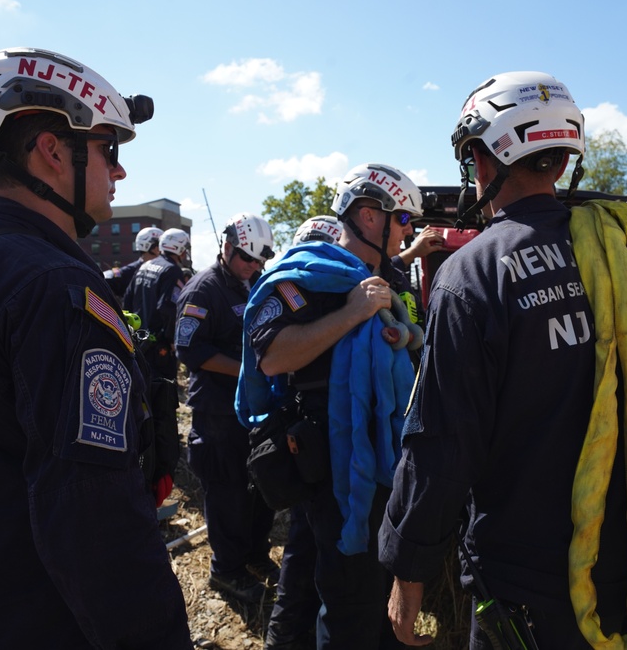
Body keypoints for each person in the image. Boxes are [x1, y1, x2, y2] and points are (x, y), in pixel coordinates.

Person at [379, 72, 627, 649]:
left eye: (471, 152)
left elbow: (444, 443)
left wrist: (410, 568)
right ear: (561, 153)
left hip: (533, 582)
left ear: (489, 154)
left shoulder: (473, 274)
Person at [0, 47, 192, 648]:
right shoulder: (55, 288)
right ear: (53, 151)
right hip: (47, 621)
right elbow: (94, 522)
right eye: (109, 150)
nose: (119, 174)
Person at [237, 163, 423, 649]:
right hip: (337, 468)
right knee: (349, 603)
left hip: (389, 454)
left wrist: (403, 334)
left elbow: (411, 341)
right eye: (404, 219)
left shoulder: (386, 276)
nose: (411, 230)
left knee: (379, 592)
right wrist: (352, 313)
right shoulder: (310, 276)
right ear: (368, 217)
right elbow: (273, 356)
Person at [175, 212, 279, 604]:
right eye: (247, 259)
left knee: (257, 489)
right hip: (217, 413)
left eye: (258, 261)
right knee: (228, 494)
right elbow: (190, 350)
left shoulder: (249, 282)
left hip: (249, 409)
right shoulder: (203, 290)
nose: (253, 267)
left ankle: (254, 554)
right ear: (228, 246)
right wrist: (246, 372)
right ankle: (227, 571)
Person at [124, 227, 191, 380]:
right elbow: (168, 307)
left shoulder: (144, 266)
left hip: (137, 342)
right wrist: (171, 340)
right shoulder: (172, 270)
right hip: (159, 346)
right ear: (180, 249)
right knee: (163, 395)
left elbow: (127, 299)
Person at [104, 225, 163, 301]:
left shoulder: (131, 269)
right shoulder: (129, 270)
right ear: (155, 248)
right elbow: (110, 275)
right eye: (161, 245)